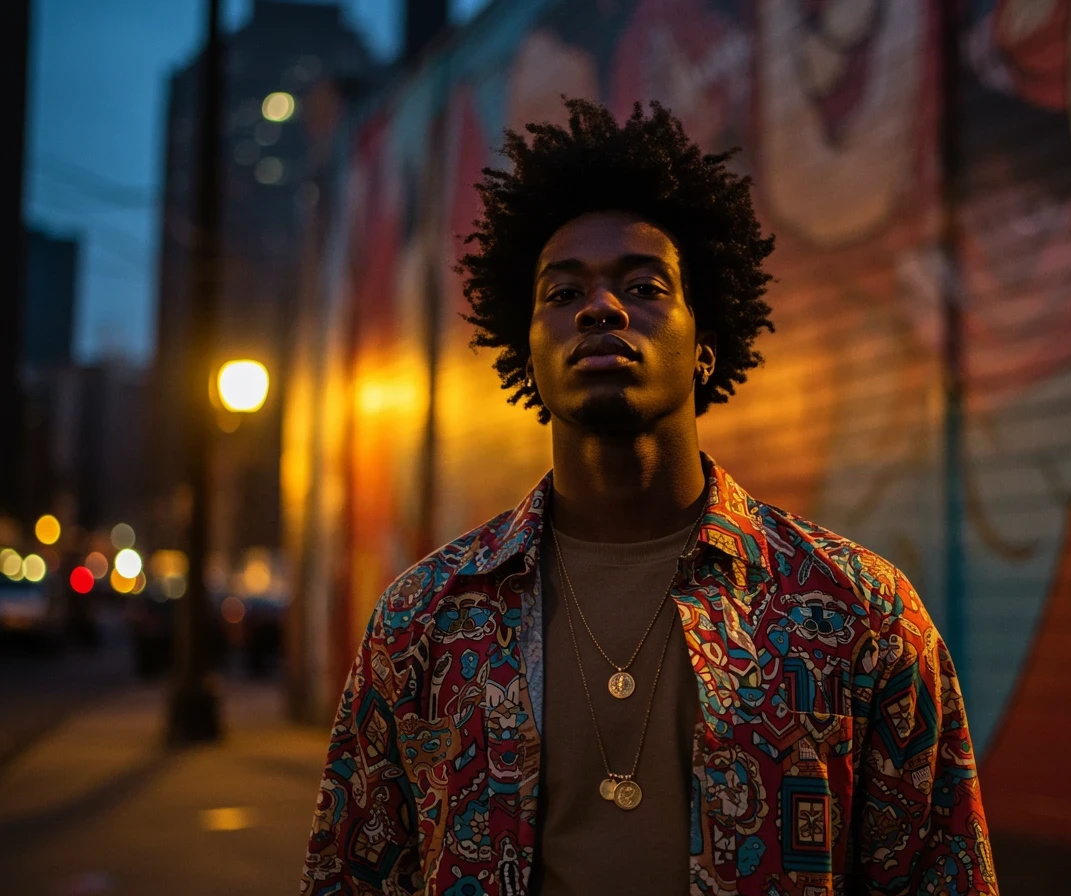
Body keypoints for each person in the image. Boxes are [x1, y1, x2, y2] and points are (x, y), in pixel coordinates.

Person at [300, 98, 999, 896]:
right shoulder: (424, 621)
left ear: (705, 347)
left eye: (643, 284)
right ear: (526, 357)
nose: (601, 308)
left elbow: (940, 876)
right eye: (562, 296)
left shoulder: (857, 613)